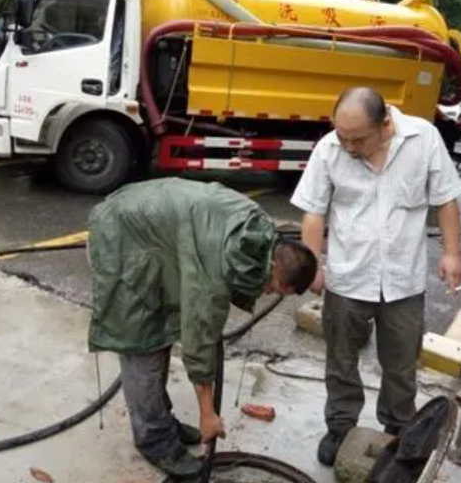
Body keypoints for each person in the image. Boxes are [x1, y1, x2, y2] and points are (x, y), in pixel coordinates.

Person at [87, 177, 317, 478]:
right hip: (122, 236)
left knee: (162, 328)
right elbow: (199, 341)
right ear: (275, 268)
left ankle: (161, 420)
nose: (268, 294)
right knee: (141, 341)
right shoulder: (218, 267)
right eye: (273, 290)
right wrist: (207, 414)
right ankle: (154, 439)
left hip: (153, 226)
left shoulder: (260, 233)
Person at [290, 87, 461, 466]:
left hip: (403, 280)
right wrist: (313, 265)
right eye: (342, 137)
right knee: (340, 360)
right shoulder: (329, 149)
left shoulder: (423, 139)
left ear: (385, 124)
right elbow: (314, 211)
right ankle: (340, 426)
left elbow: (446, 199)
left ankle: (399, 430)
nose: (348, 147)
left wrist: (452, 253)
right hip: (348, 277)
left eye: (357, 139)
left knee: (401, 365)